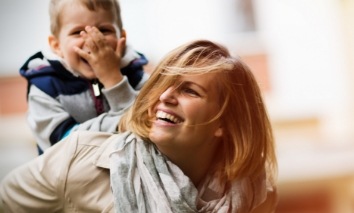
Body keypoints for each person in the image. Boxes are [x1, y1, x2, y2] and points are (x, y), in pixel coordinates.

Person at [1, 40, 277, 212]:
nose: (164, 96)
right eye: (162, 83)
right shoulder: (80, 159)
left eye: (189, 91)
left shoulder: (255, 193)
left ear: (224, 123)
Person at [19, 0, 149, 154]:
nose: (92, 40)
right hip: (68, 176)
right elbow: (64, 146)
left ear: (122, 37)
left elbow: (146, 126)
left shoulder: (138, 77)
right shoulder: (44, 87)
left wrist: (113, 79)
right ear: (56, 46)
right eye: (77, 32)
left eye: (104, 30)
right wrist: (121, 123)